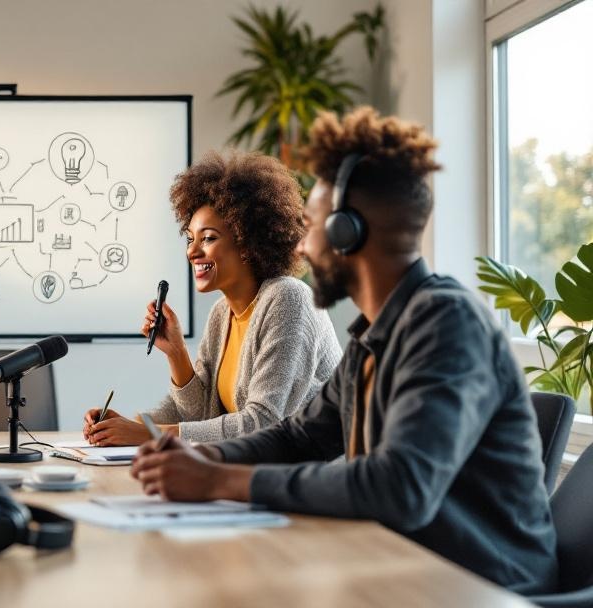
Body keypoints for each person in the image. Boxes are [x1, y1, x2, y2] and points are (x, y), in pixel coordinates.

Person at [130, 107, 558, 593]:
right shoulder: (375, 335)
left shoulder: (446, 323)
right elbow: (299, 437)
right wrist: (204, 460)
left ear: (346, 232)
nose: (304, 247)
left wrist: (220, 482)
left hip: (480, 586)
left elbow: (401, 487)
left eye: (311, 226)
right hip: (402, 566)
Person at [84, 150, 341, 446]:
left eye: (208, 238)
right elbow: (198, 414)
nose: (192, 252)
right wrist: (174, 356)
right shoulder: (222, 313)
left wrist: (149, 434)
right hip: (259, 470)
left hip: (315, 475)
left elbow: (263, 422)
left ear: (246, 242)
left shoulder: (289, 299)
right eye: (190, 239)